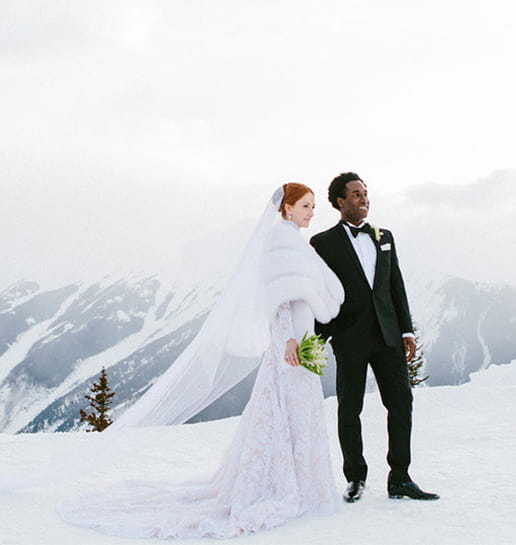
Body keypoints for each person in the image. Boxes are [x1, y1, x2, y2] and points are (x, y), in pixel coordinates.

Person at [56, 184, 345, 539]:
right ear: (285, 208)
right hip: (290, 345)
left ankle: (303, 485)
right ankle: (287, 487)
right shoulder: (280, 241)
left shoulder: (295, 242)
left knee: (298, 413)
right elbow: (278, 298)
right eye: (304, 205)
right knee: (287, 413)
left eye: (313, 206)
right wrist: (287, 338)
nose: (311, 212)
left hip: (302, 340)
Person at [310, 172, 439, 503]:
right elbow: (319, 293)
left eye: (365, 193)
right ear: (340, 201)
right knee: (349, 408)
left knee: (401, 404)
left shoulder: (385, 237)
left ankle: (400, 477)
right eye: (355, 194)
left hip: (387, 335)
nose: (363, 198)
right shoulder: (322, 243)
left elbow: (396, 285)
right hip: (349, 336)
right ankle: (355, 478)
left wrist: (406, 330)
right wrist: (317, 337)